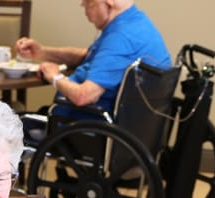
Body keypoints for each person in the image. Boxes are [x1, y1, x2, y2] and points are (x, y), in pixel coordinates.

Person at [13, 0, 170, 119]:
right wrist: (42, 52)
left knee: (7, 127)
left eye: (89, 1)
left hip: (88, 128)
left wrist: (54, 77)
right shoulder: (134, 22)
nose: (83, 5)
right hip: (115, 126)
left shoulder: (121, 37)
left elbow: (84, 96)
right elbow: (88, 56)